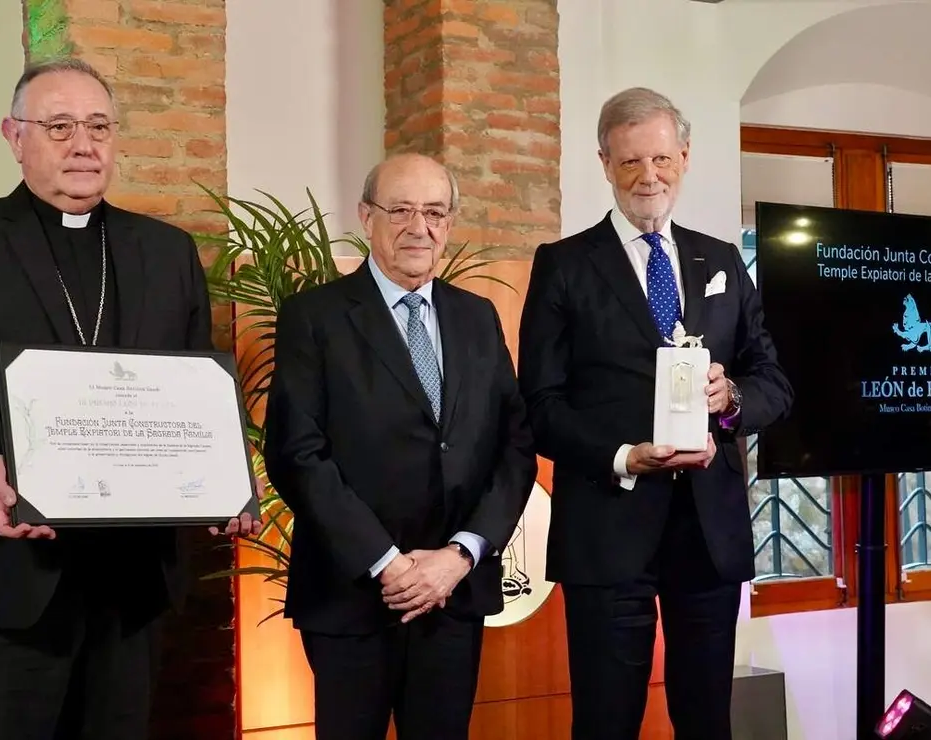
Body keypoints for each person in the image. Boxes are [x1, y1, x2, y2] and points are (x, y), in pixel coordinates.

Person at [0, 58, 260, 740]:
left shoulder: (165, 252)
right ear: (14, 137)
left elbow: (195, 390)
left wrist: (226, 478)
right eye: (59, 126)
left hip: (128, 591)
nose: (84, 144)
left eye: (99, 126)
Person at [517, 87, 793, 740]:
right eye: (632, 162)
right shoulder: (562, 267)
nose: (649, 177)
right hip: (607, 530)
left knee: (706, 723)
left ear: (685, 157)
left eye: (662, 159)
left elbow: (774, 383)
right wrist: (622, 457)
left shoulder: (722, 260)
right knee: (607, 722)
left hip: (709, 531)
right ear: (605, 163)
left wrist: (732, 400)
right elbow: (539, 405)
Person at [262, 152, 537, 740]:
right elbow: (297, 453)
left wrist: (460, 555)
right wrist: (388, 563)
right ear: (367, 217)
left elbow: (515, 448)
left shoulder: (478, 317)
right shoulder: (315, 317)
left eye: (435, 212)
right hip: (351, 596)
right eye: (402, 210)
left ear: (451, 223)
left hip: (452, 593)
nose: (420, 227)